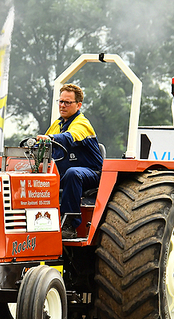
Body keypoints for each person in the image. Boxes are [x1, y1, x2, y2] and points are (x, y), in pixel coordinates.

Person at [36, 83, 103, 239]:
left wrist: (51, 138)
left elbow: (69, 137)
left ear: (78, 105)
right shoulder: (57, 124)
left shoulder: (82, 123)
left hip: (92, 173)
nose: (62, 105)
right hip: (65, 176)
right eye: (61, 101)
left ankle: (70, 224)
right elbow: (43, 144)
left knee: (73, 174)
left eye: (67, 102)